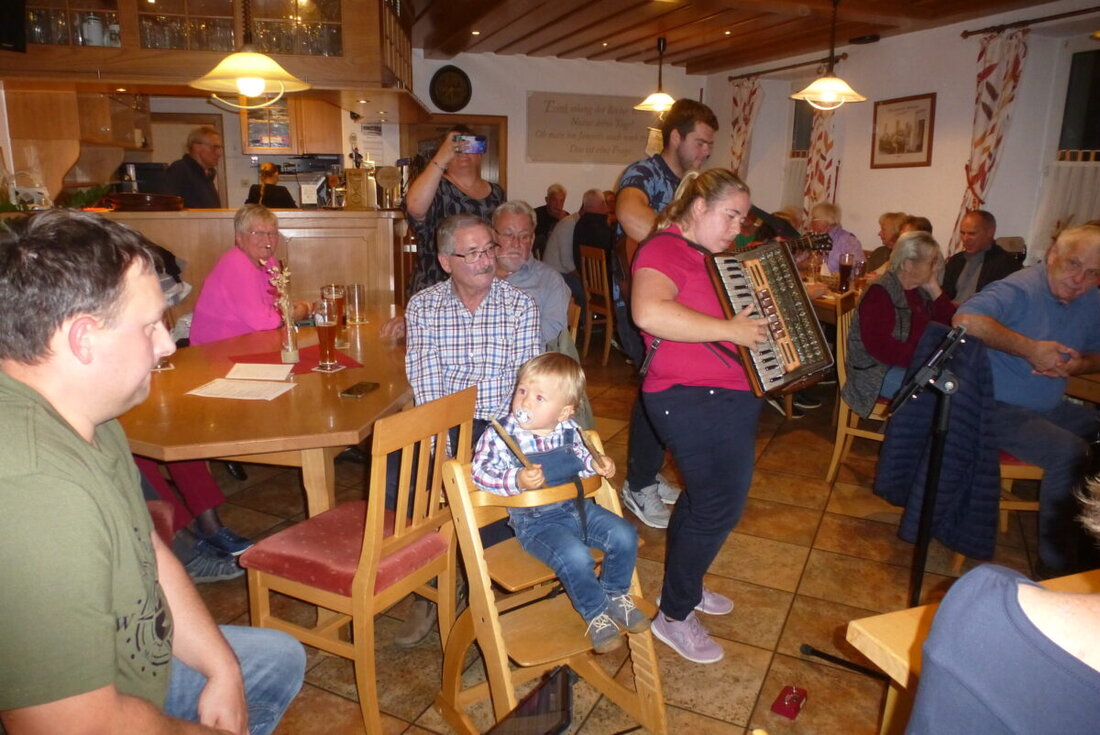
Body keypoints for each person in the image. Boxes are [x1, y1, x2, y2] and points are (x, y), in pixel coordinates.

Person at [0, 209, 304, 734]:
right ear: (83, 338)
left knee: (277, 658)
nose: (167, 343)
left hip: (141, 670)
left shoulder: (90, 415)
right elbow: (79, 727)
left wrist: (223, 667)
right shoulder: (35, 489)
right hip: (102, 711)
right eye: (149, 327)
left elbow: (147, 548)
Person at [631, 169, 768, 663]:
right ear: (698, 207)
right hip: (691, 396)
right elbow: (649, 313)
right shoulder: (664, 249)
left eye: (742, 219)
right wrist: (730, 330)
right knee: (717, 507)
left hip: (722, 395)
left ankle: (685, 584)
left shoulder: (704, 254)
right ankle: (673, 615)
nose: (737, 228)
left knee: (703, 500)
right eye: (730, 215)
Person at [397, 213, 542, 646]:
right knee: (401, 484)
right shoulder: (424, 307)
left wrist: (498, 446)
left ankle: (488, 588)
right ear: (446, 261)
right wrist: (441, 448)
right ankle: (434, 581)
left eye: (488, 249)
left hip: (502, 424)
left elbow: (528, 389)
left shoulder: (520, 306)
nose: (485, 259)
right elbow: (427, 385)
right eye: (472, 252)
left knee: (489, 486)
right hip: (447, 421)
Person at [471, 353, 644, 653]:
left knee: (625, 534)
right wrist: (516, 479)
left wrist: (597, 463)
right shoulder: (500, 435)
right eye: (522, 390)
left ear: (564, 412)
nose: (525, 402)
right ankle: (596, 614)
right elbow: (479, 473)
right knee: (577, 557)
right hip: (536, 524)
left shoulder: (570, 430)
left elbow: (583, 459)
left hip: (578, 510)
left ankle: (615, 594)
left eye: (539, 397)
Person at [953, 224, 1100, 576]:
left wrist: (1080, 365)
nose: (1079, 280)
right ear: (1053, 255)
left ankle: (1087, 545)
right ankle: (1054, 567)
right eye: (1074, 264)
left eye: (1093, 273)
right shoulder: (1020, 287)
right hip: (994, 406)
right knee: (1070, 453)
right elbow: (964, 320)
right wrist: (1031, 349)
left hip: (1047, 406)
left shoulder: (1091, 299)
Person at [906, 477, 1100, 733]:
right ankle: (1051, 562)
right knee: (1065, 458)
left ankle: (1054, 562)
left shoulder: (986, 598)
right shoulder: (988, 602)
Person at [615, 98, 719, 529]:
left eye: (710, 144)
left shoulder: (695, 186)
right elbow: (629, 214)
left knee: (670, 389)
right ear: (676, 137)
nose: (706, 151)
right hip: (640, 306)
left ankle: (649, 471)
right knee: (655, 392)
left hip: (677, 306)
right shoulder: (643, 173)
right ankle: (637, 484)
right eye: (700, 142)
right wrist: (682, 240)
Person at [842, 231, 956, 418]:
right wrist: (923, 361)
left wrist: (935, 289)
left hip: (908, 365)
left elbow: (952, 323)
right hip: (876, 372)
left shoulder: (918, 290)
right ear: (908, 264)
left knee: (953, 386)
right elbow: (880, 347)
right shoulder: (881, 292)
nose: (935, 268)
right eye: (931, 262)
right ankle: (903, 433)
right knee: (940, 395)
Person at [404, 126, 506, 297]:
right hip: (435, 288)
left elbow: (500, 238)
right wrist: (441, 158)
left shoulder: (497, 193)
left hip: (482, 287)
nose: (463, 152)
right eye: (456, 147)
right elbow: (415, 208)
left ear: (480, 152)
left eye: (470, 145)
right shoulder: (434, 187)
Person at [190, 204, 308, 345]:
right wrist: (296, 313)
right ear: (239, 238)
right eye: (258, 233)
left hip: (252, 342)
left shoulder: (270, 262)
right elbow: (264, 321)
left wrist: (295, 307)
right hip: (217, 348)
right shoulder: (235, 264)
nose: (267, 240)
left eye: (272, 233)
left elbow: (274, 305)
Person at [492, 200, 571, 348]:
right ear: (493, 236)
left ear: (532, 239)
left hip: (527, 359)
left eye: (524, 236)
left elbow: (552, 335)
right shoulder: (474, 274)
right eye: (508, 235)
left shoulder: (549, 281)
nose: (516, 244)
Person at [943, 209, 1020, 303]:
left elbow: (1001, 302)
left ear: (990, 232)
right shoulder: (956, 261)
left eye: (972, 233)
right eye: (962, 233)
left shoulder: (1005, 264)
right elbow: (945, 294)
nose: (965, 239)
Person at [162, 125, 223, 209]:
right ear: (196, 147)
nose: (219, 153)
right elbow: (168, 208)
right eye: (215, 147)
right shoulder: (180, 169)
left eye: (220, 148)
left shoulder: (207, 174)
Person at [808, 202, 864, 274]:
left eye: (813, 218)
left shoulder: (848, 240)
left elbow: (859, 266)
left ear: (824, 221)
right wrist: (808, 262)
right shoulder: (813, 237)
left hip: (838, 280)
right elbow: (798, 261)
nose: (811, 222)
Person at [533, 183, 569, 259]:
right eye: (554, 200)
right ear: (547, 200)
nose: (558, 205)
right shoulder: (535, 215)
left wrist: (564, 223)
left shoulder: (566, 217)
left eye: (561, 201)